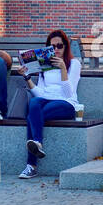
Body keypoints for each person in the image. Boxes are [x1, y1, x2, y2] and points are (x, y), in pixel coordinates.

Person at [19, 30, 80, 179]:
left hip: (67, 104)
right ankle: (37, 144)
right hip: (46, 101)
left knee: (31, 118)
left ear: (66, 47)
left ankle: (31, 165)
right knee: (34, 103)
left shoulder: (74, 63)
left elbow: (68, 94)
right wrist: (27, 77)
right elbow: (40, 93)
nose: (57, 50)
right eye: (52, 47)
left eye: (60, 46)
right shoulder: (44, 65)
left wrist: (63, 69)